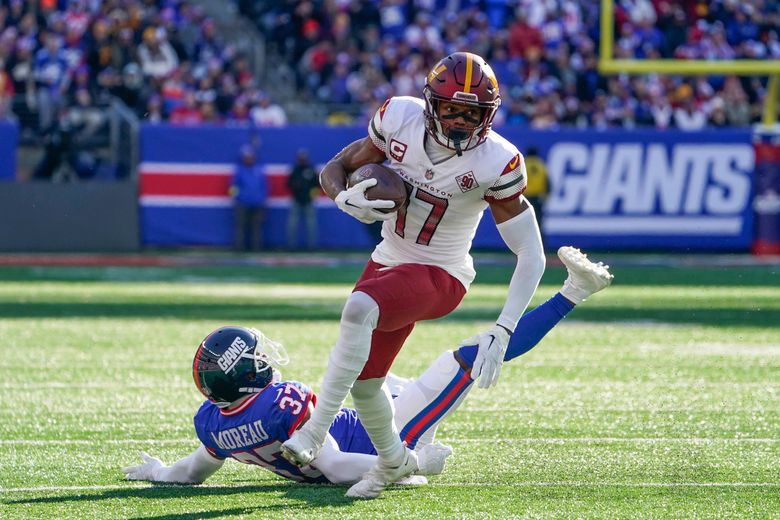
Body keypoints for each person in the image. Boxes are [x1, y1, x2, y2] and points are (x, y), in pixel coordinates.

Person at [280, 52, 546, 499]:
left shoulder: (496, 160)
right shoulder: (398, 118)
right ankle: (396, 461)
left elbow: (531, 254)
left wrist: (504, 327)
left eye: (473, 113)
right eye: (452, 109)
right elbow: (335, 169)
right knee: (366, 388)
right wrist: (345, 199)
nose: (461, 122)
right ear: (430, 104)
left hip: (442, 274)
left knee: (358, 308)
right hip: (389, 259)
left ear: (489, 116)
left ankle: (313, 431)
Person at [122, 247, 613, 487]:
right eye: (256, 357)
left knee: (379, 371)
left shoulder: (213, 421)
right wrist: (407, 463)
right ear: (243, 373)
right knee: (469, 356)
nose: (265, 359)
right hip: (384, 433)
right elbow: (335, 466)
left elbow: (190, 473)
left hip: (366, 416)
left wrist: (157, 473)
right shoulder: (277, 404)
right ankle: (576, 291)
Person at [232, 144, 267, 251]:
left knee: (256, 227)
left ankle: (256, 248)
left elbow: (265, 186)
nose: (249, 159)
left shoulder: (259, 170)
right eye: (246, 157)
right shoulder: (239, 171)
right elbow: (233, 186)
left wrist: (262, 198)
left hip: (257, 203)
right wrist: (238, 198)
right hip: (242, 203)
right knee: (240, 227)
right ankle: (239, 248)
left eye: (250, 156)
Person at [286, 149, 320, 250]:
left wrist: (312, 195)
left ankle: (312, 246)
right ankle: (291, 246)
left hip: (308, 201)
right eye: (300, 158)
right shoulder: (294, 169)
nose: (302, 160)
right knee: (292, 224)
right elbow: (288, 184)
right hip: (296, 200)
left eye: (303, 158)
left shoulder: (310, 169)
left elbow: (316, 184)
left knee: (311, 224)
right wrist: (295, 189)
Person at [522, 146, 550, 238]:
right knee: (538, 223)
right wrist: (545, 197)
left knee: (522, 222)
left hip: (523, 197)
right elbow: (548, 183)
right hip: (537, 197)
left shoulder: (523, 163)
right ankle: (541, 246)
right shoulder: (541, 164)